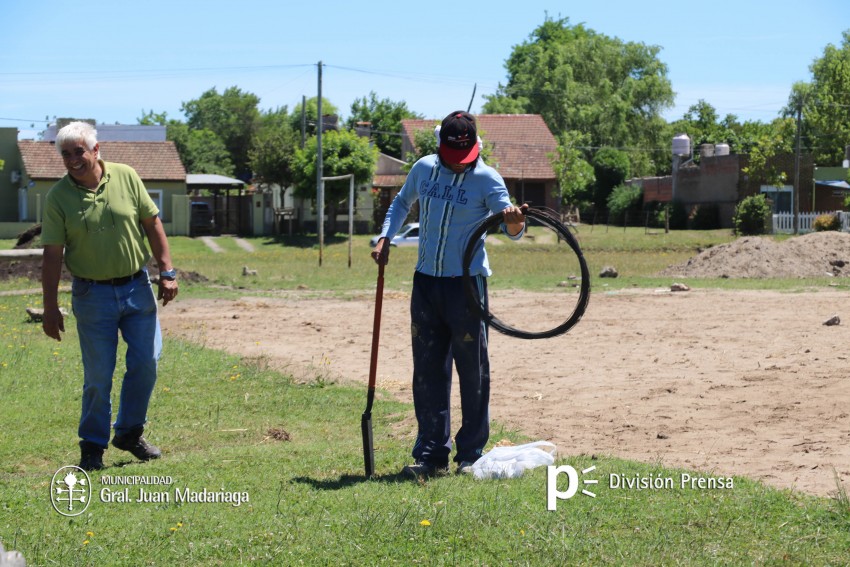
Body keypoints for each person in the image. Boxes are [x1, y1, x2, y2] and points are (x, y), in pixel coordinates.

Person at [371, 110, 526, 478]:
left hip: (466, 286)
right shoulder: (423, 169)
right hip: (426, 283)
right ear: (439, 144)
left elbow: (514, 229)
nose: (458, 166)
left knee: (472, 370)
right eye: (452, 158)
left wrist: (515, 220)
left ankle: (470, 453)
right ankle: (430, 454)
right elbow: (400, 203)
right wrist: (385, 237)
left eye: (465, 158)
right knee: (427, 371)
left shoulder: (488, 180)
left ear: (475, 147)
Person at [41, 121, 179, 471]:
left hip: (137, 288)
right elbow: (53, 255)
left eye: (79, 151)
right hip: (92, 295)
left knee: (146, 362)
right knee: (99, 375)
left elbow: (152, 223)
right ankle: (92, 445)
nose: (73, 159)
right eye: (66, 154)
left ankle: (130, 432)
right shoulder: (58, 197)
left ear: (96, 150)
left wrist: (167, 270)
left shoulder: (126, 176)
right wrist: (49, 306)